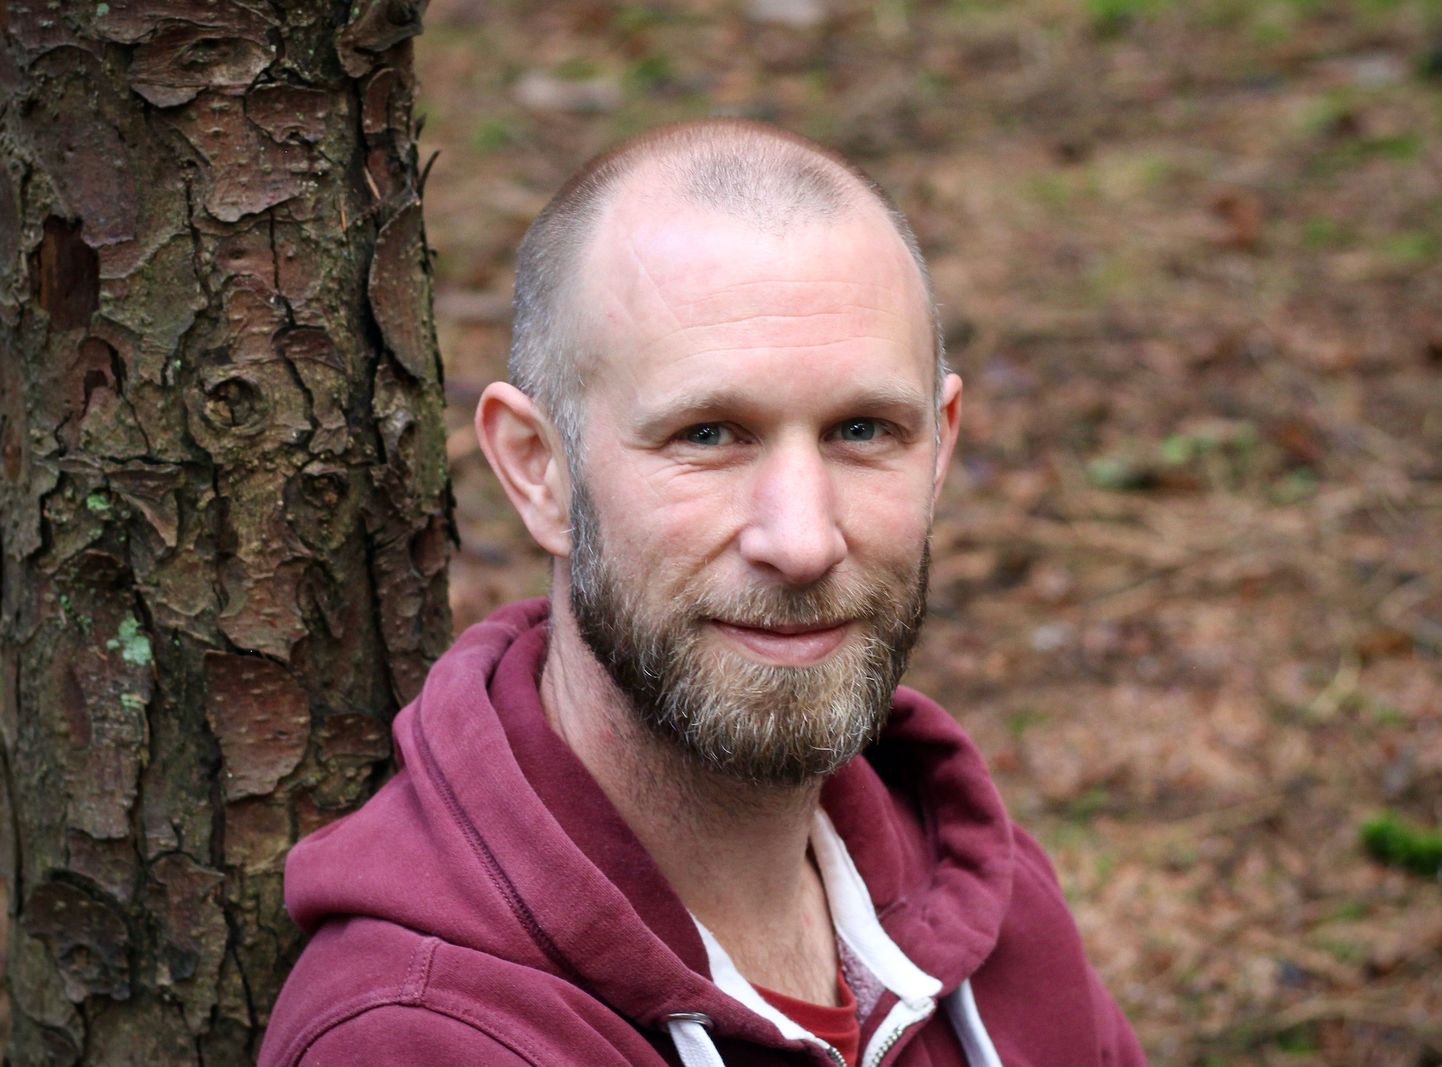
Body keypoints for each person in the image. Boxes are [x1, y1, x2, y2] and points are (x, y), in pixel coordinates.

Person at [260, 119, 1145, 1067]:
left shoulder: (981, 891)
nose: (801, 541)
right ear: (539, 470)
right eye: (709, 435)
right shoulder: (423, 1037)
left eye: (862, 429)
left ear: (940, 448)